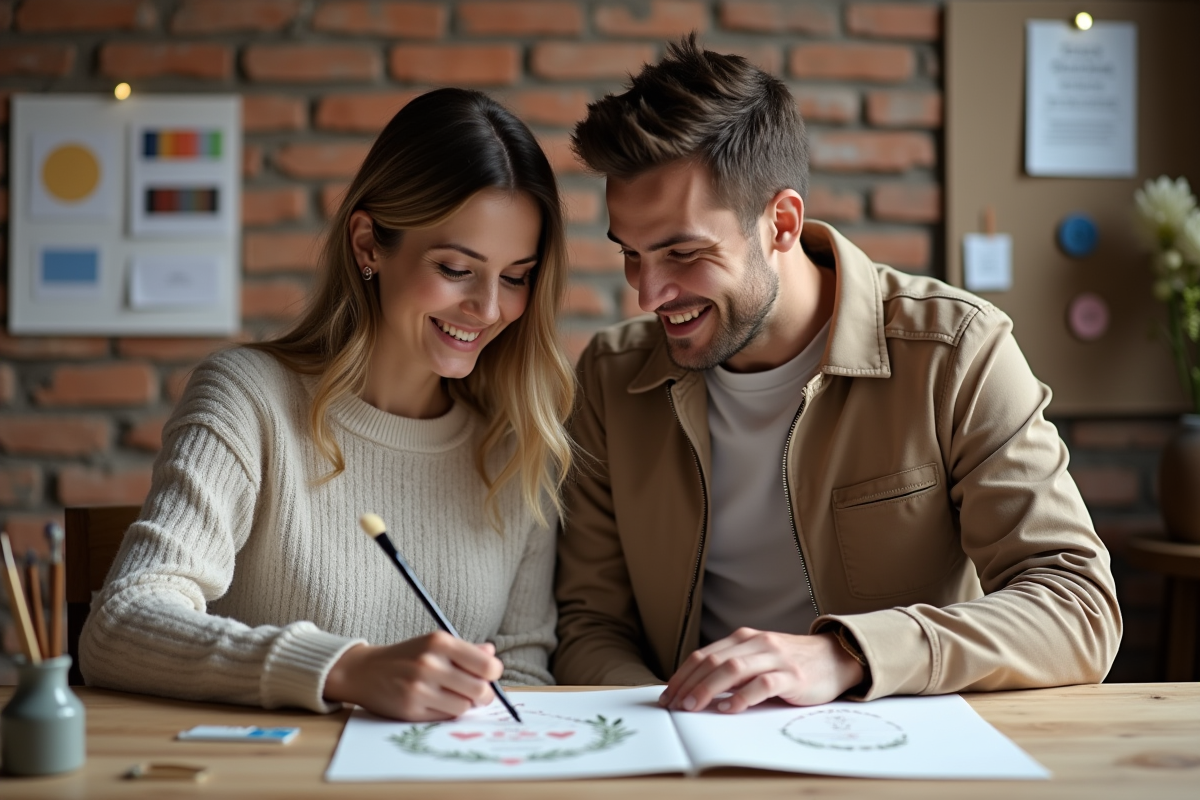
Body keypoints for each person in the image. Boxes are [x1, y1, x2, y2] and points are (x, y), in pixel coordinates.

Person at [553, 37, 1121, 713]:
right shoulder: (611, 381)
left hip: (897, 753)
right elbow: (590, 625)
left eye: (683, 253)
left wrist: (846, 655)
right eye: (632, 255)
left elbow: (1078, 607)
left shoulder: (954, 353)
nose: (647, 295)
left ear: (781, 223)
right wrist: (673, 721)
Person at [80, 89, 575, 722]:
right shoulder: (247, 400)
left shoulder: (517, 447)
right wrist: (344, 671)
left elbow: (522, 676)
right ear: (368, 244)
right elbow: (122, 623)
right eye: (456, 267)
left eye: (515, 277)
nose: (487, 308)